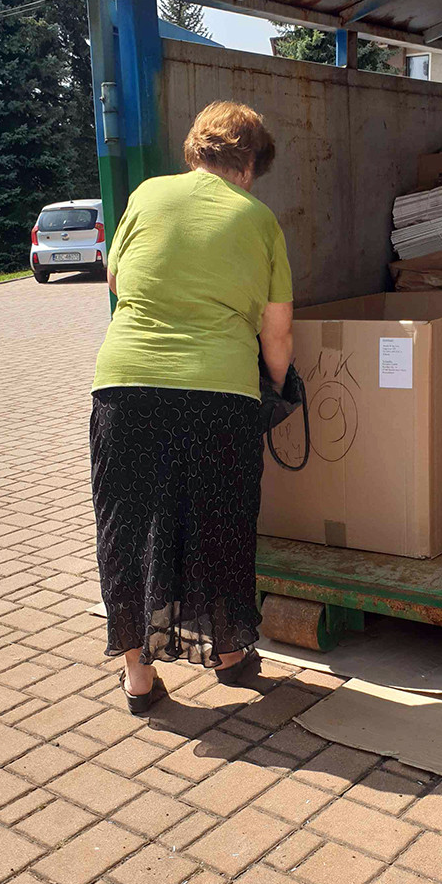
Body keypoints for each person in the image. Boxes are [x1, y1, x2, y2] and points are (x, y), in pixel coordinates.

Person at [91, 100, 294, 714]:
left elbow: (116, 281)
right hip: (220, 394)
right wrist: (277, 386)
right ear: (250, 164)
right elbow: (277, 333)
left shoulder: (146, 196)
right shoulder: (259, 220)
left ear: (196, 150)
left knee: (127, 528)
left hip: (126, 388)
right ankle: (228, 655)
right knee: (221, 526)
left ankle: (138, 677)